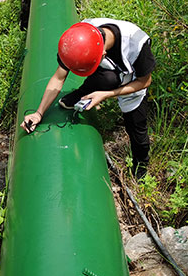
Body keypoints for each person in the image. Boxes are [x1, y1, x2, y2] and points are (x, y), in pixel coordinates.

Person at [21, 18, 155, 178]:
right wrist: (39, 113)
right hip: (108, 71)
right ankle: (83, 93)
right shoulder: (79, 38)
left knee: (136, 127)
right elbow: (58, 77)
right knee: (106, 79)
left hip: (133, 81)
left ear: (103, 54)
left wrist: (106, 94)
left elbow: (145, 81)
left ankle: (140, 167)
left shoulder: (136, 44)